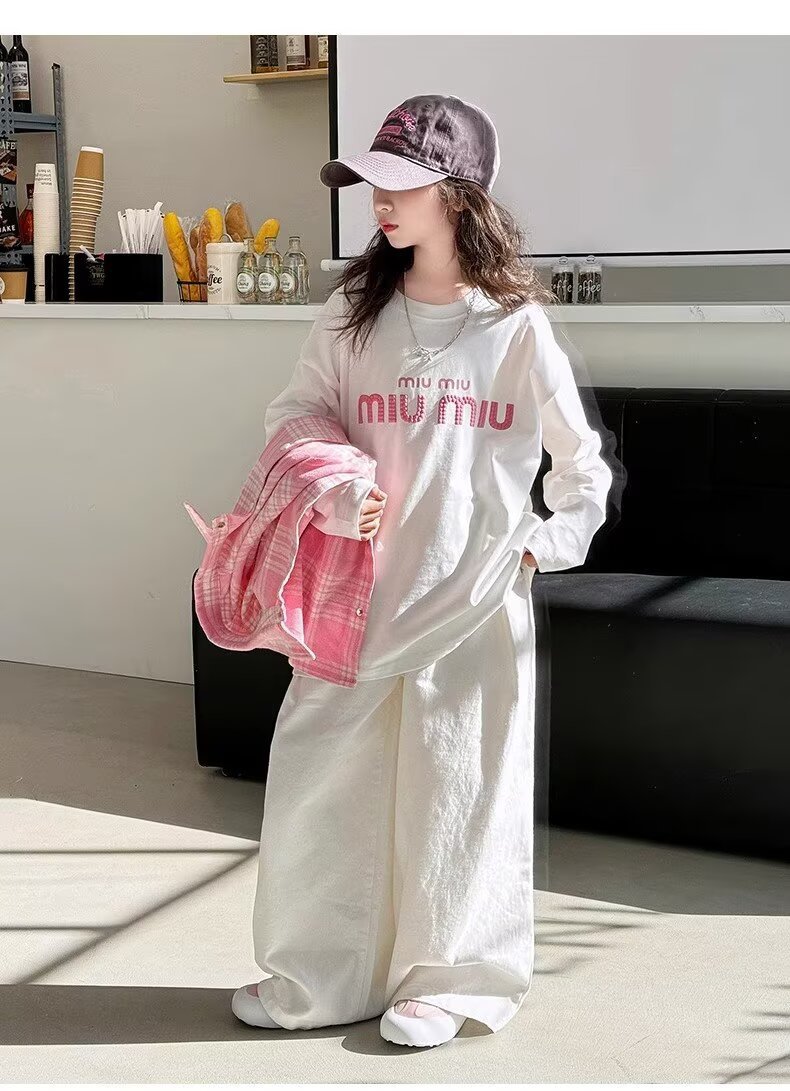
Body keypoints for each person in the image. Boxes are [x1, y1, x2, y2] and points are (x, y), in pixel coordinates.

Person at [231, 94, 614, 1048]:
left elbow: (582, 467)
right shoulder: (352, 313)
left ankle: (449, 979)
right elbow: (297, 416)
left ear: (459, 194)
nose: (379, 201)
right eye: (373, 183)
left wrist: (540, 546)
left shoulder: (514, 325)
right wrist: (334, 491)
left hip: (471, 600)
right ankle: (319, 973)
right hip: (351, 600)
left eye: (401, 184)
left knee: (459, 790)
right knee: (322, 784)